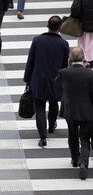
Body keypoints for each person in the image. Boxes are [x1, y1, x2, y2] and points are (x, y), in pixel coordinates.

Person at [23, 16, 70, 147]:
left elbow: (30, 61)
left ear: (47, 25)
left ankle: (43, 137)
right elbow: (65, 65)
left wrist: (27, 78)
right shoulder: (64, 44)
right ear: (60, 28)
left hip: (39, 79)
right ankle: (51, 126)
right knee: (54, 103)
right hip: (56, 80)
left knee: (40, 107)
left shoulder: (37, 40)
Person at [55, 47, 93, 179]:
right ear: (83, 59)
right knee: (85, 139)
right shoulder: (90, 74)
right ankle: (83, 163)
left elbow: (57, 83)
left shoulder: (64, 72)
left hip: (70, 110)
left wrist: (67, 66)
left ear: (70, 59)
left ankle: (74, 159)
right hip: (87, 111)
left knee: (72, 134)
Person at [71, 0, 93, 68]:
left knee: (84, 43)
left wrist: (74, 17)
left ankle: (86, 60)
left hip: (84, 26)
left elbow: (75, 9)